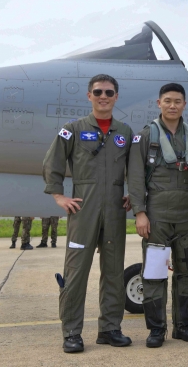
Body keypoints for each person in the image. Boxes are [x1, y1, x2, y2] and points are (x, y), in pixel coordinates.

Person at [42, 74, 133, 353]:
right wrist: (58, 196)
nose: (103, 96)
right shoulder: (73, 129)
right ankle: (71, 332)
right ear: (89, 96)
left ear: (116, 96)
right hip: (83, 210)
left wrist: (132, 194)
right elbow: (52, 163)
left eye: (108, 92)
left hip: (115, 211)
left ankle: (110, 328)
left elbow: (136, 169)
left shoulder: (125, 133)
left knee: (114, 272)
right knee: (76, 271)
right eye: (98, 92)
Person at [128, 83, 188, 348]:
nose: (173, 105)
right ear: (159, 103)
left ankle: (184, 326)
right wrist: (140, 213)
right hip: (157, 215)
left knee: (187, 272)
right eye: (168, 101)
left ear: (184, 105)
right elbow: (135, 177)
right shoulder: (146, 136)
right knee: (155, 273)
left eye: (178, 101)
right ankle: (157, 329)